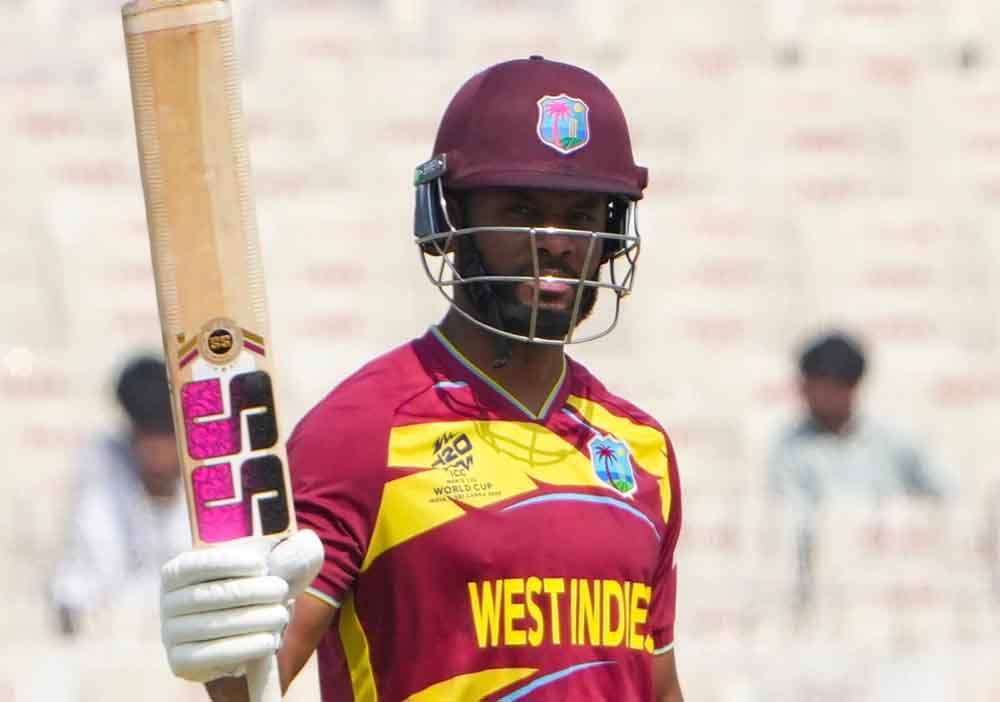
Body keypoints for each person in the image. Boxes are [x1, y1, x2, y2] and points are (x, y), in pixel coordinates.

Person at [158, 56, 685, 702]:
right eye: (520, 208)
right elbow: (252, 688)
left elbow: (657, 687)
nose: (555, 242)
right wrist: (222, 651)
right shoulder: (360, 434)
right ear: (447, 218)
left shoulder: (641, 448)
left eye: (580, 215)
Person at [767, 331, 948, 611]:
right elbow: (792, 520)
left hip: (896, 582)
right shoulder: (791, 449)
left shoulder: (893, 440)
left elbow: (946, 494)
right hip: (829, 587)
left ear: (849, 388)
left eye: (819, 386)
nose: (807, 394)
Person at [48, 355, 189, 635]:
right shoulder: (101, 487)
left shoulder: (209, 491)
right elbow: (75, 591)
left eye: (165, 437)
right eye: (147, 436)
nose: (156, 451)